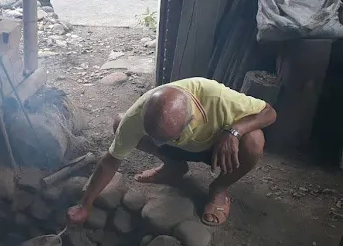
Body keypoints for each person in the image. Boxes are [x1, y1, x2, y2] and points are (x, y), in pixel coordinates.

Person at [68, 77, 277, 226]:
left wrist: (234, 131)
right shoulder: (139, 115)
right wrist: (85, 204)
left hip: (214, 149)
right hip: (177, 148)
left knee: (254, 141)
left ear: (191, 120)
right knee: (120, 123)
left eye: (169, 137)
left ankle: (219, 189)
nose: (156, 144)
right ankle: (173, 166)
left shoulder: (216, 98)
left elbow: (269, 112)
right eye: (155, 138)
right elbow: (110, 161)